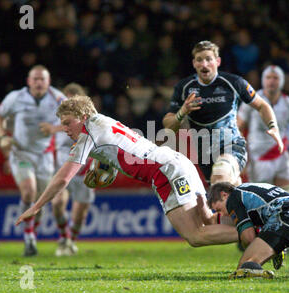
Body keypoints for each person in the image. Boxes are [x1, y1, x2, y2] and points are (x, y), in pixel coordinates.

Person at [15, 95, 240, 249]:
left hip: (164, 173)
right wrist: (103, 162)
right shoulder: (103, 121)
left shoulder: (87, 134)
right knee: (209, 221)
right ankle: (252, 225)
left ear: (83, 117)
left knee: (195, 235)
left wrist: (36, 207)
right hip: (177, 162)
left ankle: (259, 235)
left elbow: (63, 178)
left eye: (67, 122)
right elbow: (118, 150)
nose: (65, 129)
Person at [163, 40, 284, 186]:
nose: (204, 64)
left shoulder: (233, 82)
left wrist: (273, 126)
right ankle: (238, 188)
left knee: (220, 175)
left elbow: (262, 105)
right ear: (194, 63)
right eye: (200, 60)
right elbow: (168, 127)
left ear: (217, 61)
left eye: (209, 59)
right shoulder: (184, 88)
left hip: (232, 145)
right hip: (205, 154)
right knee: (221, 196)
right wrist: (182, 112)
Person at [0, 65, 66, 256]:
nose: (39, 82)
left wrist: (53, 128)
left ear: (48, 81)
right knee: (29, 191)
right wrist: (2, 136)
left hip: (45, 156)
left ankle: (31, 233)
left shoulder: (57, 98)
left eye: (42, 79)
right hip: (21, 153)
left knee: (40, 202)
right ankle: (29, 238)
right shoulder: (16, 97)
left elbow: (75, 120)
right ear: (28, 81)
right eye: (35, 79)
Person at [205, 182, 289, 280]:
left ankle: (260, 273)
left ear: (224, 195)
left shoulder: (234, 196)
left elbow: (249, 237)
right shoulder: (251, 189)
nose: (222, 214)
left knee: (245, 265)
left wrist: (260, 248)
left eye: (218, 209)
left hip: (287, 212)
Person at [39, 83, 95, 256]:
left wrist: (52, 129)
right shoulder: (59, 116)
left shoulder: (91, 117)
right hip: (63, 167)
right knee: (57, 204)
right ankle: (64, 238)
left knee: (80, 215)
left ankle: (71, 241)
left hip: (84, 171)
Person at [238, 65, 289, 196]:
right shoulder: (251, 100)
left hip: (282, 156)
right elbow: (238, 128)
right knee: (262, 203)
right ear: (263, 80)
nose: (271, 81)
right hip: (258, 159)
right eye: (268, 77)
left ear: (282, 81)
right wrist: (242, 157)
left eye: (275, 78)